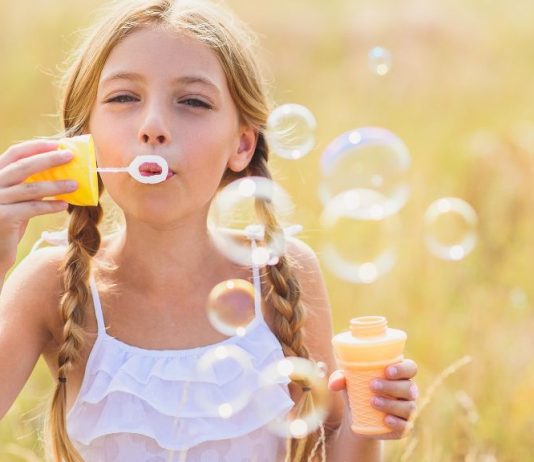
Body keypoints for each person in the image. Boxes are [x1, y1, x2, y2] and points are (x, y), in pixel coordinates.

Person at [0, 0, 418, 461]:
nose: (154, 127)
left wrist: (371, 417)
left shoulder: (283, 271)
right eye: (123, 98)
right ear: (85, 138)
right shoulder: (52, 284)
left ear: (241, 145)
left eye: (193, 102)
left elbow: (328, 448)